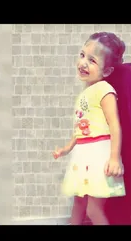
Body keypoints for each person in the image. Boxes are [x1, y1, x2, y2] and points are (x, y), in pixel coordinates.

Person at [52, 32, 126, 225]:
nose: (83, 62)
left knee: (93, 210)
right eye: (82, 55)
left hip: (98, 154)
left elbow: (114, 126)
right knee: (78, 201)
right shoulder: (86, 92)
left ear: (107, 71)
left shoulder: (104, 90)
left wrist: (114, 157)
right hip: (83, 153)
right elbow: (81, 129)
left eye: (92, 60)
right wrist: (67, 148)